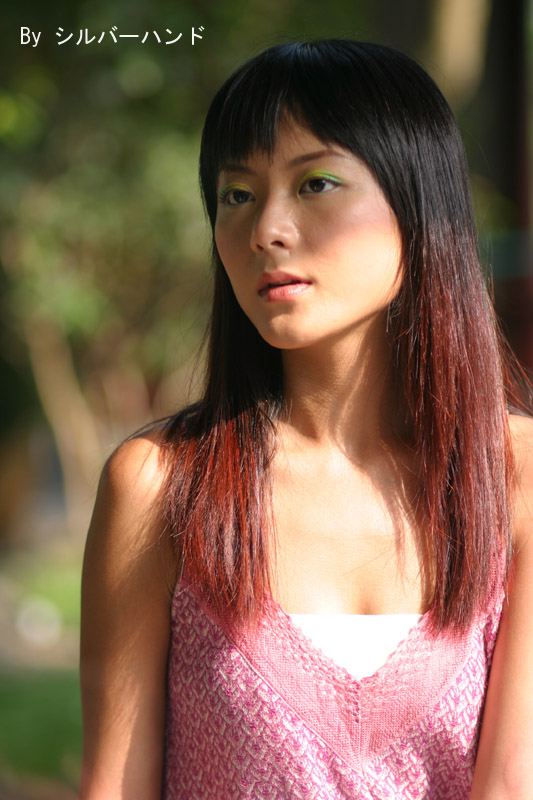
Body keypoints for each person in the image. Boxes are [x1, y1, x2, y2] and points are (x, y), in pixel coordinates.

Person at [79, 39, 533, 799]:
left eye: (315, 182)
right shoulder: (161, 486)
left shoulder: (516, 478)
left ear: (418, 206)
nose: (266, 229)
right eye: (237, 195)